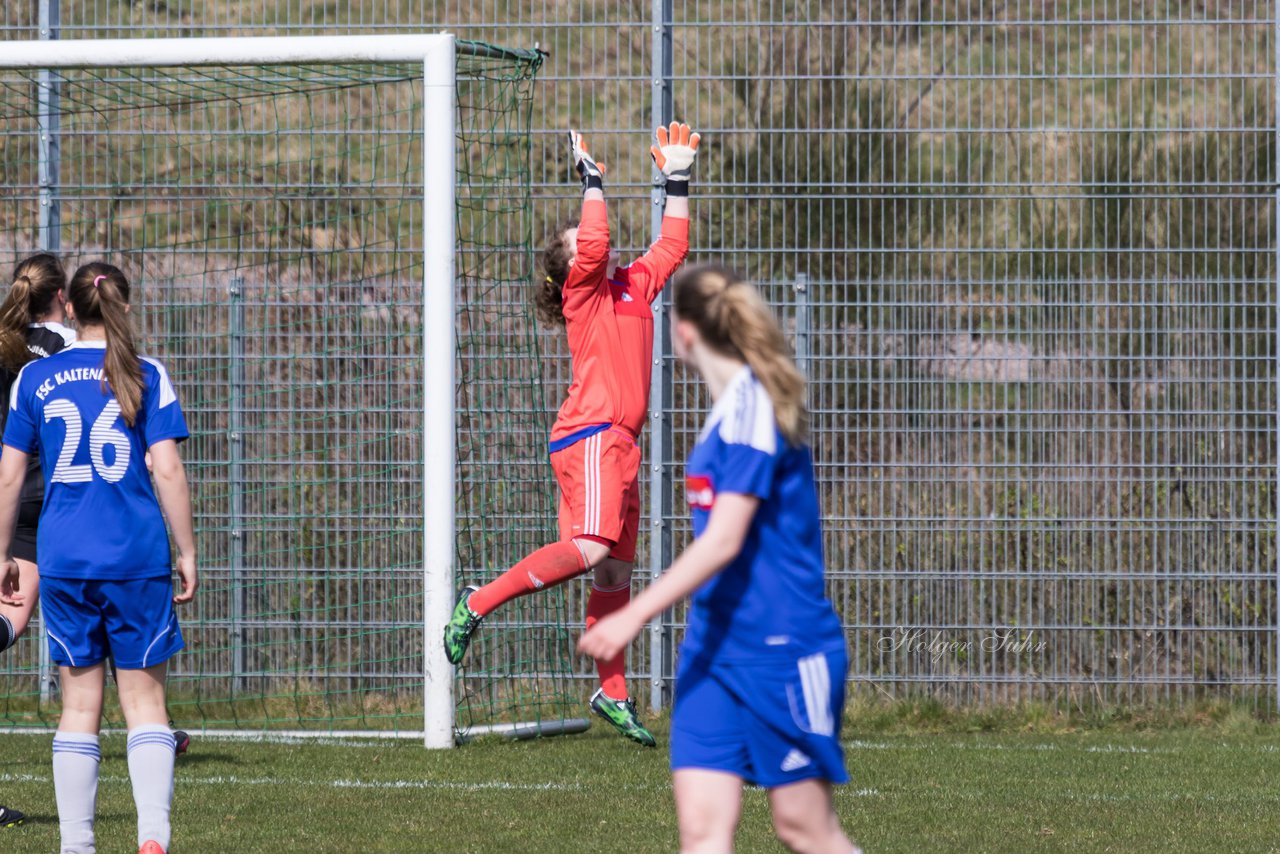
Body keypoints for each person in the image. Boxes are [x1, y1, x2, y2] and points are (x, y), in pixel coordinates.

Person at [579, 265, 861, 853]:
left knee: (803, 828)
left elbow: (725, 539)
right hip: (711, 654)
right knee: (702, 832)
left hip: (782, 648)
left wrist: (632, 616)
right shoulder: (721, 414)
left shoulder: (755, 408)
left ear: (682, 333)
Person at [443, 123, 701, 745]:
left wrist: (678, 178)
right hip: (591, 435)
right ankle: (480, 601)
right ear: (570, 270)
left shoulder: (633, 285)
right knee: (589, 550)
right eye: (577, 241)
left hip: (619, 444)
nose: (590, 242)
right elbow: (597, 240)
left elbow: (671, 245)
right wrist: (592, 181)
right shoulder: (584, 291)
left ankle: (612, 693)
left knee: (613, 576)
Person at [0, 262, 197, 854]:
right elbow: (166, 467)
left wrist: (2, 552)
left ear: (69, 304)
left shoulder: (35, 379)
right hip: (135, 556)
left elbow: (10, 478)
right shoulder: (145, 372)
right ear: (123, 307)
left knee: (79, 707)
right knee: (145, 704)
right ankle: (153, 838)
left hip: (63, 559)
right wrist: (186, 550)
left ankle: (77, 846)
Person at [0, 253, 75, 658]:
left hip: (8, 495)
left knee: (7, 620)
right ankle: (150, 719)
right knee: (107, 606)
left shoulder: (2, 339)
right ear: (62, 297)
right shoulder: (70, 347)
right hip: (56, 491)